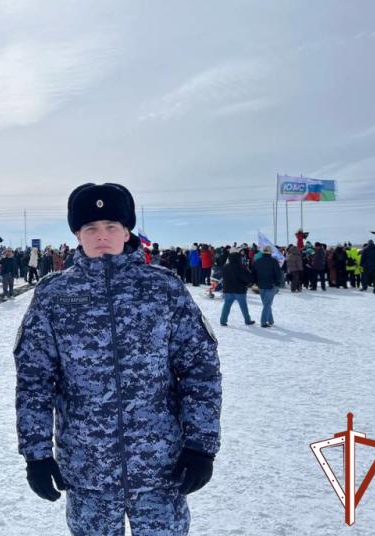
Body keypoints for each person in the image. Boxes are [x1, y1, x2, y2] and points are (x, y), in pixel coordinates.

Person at [15, 182, 221, 536]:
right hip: (87, 470)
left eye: (111, 226)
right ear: (77, 234)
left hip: (160, 467)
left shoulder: (163, 288)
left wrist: (202, 445)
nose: (102, 236)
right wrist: (36, 453)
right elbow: (35, 380)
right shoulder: (54, 295)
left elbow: (199, 370)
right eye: (91, 228)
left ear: (127, 231)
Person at [220, 251, 255, 326]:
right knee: (243, 306)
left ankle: (223, 321)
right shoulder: (241, 267)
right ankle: (247, 320)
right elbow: (248, 278)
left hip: (228, 290)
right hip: (240, 290)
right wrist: (248, 283)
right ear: (238, 258)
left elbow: (223, 276)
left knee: (226, 305)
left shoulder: (225, 267)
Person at [253, 246, 283, 328]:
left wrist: (255, 282)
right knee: (267, 304)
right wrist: (278, 283)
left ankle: (270, 320)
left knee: (266, 304)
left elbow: (254, 273)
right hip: (271, 285)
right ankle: (263, 322)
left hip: (261, 285)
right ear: (270, 252)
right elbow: (278, 273)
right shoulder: (274, 261)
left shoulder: (257, 261)